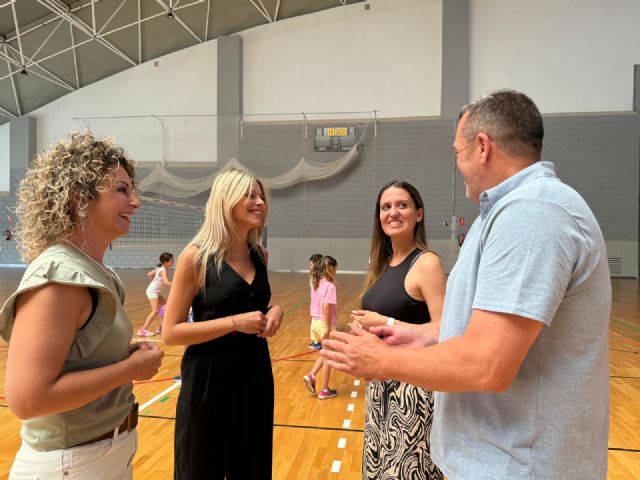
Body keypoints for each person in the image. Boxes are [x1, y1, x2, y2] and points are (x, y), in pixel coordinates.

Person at [321, 89, 611, 479]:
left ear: (482, 147)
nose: (457, 165)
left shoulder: (533, 213)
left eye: (458, 152)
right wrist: (416, 335)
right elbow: (477, 330)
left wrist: (383, 361)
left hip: (518, 467)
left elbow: (488, 362)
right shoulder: (500, 215)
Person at [0, 131, 164, 479]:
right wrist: (129, 369)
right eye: (122, 190)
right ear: (78, 197)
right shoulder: (58, 276)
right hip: (70, 465)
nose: (135, 202)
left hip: (108, 454)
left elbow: (81, 360)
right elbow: (28, 400)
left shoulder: (97, 271)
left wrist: (123, 357)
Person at [162, 168, 285, 480]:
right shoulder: (196, 257)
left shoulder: (260, 255)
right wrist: (232, 323)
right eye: (250, 196)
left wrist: (276, 311)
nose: (260, 203)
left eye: (262, 197)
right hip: (208, 381)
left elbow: (252, 307)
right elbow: (171, 332)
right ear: (226, 201)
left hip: (255, 376)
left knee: (253, 468)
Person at [351, 180, 445, 480]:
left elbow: (445, 328)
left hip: (413, 394)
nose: (393, 212)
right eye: (385, 207)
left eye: (401, 205)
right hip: (380, 389)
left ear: (419, 214)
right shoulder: (381, 263)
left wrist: (387, 323)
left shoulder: (426, 263)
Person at [303, 255, 339, 400]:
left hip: (314, 323)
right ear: (331, 269)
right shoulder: (330, 286)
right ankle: (324, 390)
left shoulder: (316, 282)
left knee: (324, 353)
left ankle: (311, 375)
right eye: (336, 268)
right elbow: (326, 308)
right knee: (329, 358)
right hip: (324, 324)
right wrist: (327, 328)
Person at [137, 252, 174, 337]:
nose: (173, 262)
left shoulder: (160, 268)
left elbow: (149, 274)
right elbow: (166, 282)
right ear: (165, 262)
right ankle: (143, 330)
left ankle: (160, 328)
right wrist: (176, 286)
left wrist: (155, 279)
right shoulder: (163, 269)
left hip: (156, 292)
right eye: (172, 260)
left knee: (164, 309)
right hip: (153, 292)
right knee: (155, 311)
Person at [308, 253, 323, 349]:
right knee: (313, 323)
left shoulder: (323, 278)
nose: (309, 266)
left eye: (311, 264)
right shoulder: (313, 276)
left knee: (320, 324)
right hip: (314, 306)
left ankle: (321, 342)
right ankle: (316, 341)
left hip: (320, 308)